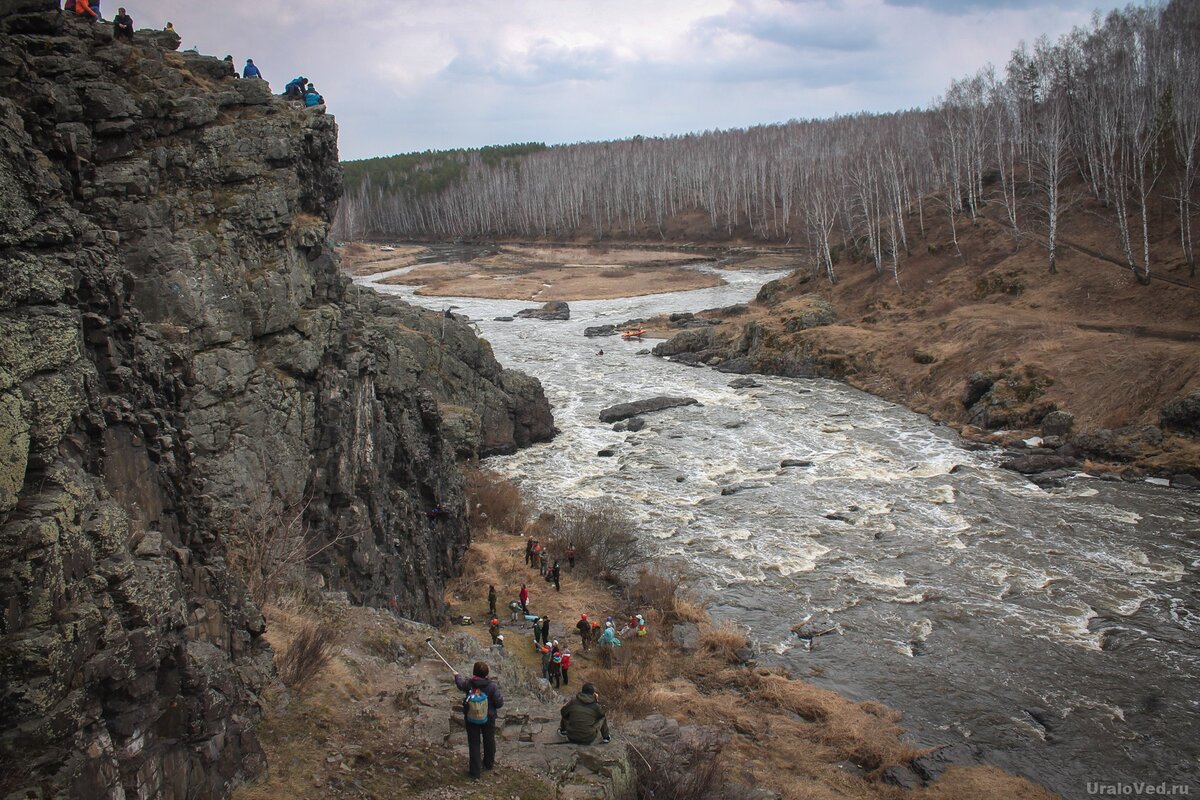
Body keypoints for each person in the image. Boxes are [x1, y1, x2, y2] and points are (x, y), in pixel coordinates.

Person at [453, 661, 504, 779]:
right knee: (489, 740)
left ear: (474, 672)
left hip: (471, 717)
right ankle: (489, 764)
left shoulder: (469, 684)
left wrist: (456, 676)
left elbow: (461, 684)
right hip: (488, 717)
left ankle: (475, 771)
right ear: (486, 673)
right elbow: (499, 703)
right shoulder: (492, 686)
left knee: (474, 743)